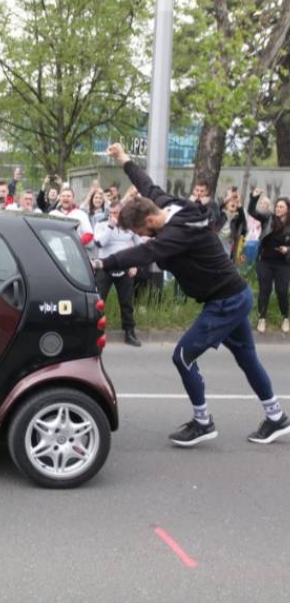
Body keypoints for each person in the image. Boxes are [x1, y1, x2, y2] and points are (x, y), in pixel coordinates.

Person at [93, 142, 290, 445]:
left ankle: (203, 422)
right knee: (247, 358)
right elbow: (147, 185)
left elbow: (145, 254)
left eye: (141, 233)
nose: (142, 237)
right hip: (231, 296)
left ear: (148, 222)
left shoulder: (175, 234)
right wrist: (124, 160)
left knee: (182, 356)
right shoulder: (170, 205)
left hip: (226, 301)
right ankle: (276, 417)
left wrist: (102, 262)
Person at [93, 200, 142, 346]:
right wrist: (110, 226)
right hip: (104, 266)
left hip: (124, 266)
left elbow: (139, 247)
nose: (114, 215)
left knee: (127, 301)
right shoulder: (101, 223)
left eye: (117, 213)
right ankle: (95, 331)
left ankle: (129, 332)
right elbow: (99, 243)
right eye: (112, 213)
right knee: (99, 301)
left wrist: (134, 264)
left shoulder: (129, 225)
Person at [248, 190, 290, 333]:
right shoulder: (268, 218)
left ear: (287, 209)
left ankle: (285, 318)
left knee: (282, 291)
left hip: (283, 264)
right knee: (265, 290)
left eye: (281, 207)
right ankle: (262, 319)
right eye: (277, 206)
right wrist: (254, 198)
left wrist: (288, 250)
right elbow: (252, 211)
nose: (278, 209)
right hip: (265, 261)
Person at [215, 188, 246, 262]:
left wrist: (239, 204)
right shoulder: (220, 214)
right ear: (226, 204)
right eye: (230, 201)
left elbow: (243, 221)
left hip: (227, 248)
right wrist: (228, 198)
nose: (233, 203)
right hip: (215, 245)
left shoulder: (237, 218)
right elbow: (216, 209)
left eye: (235, 202)